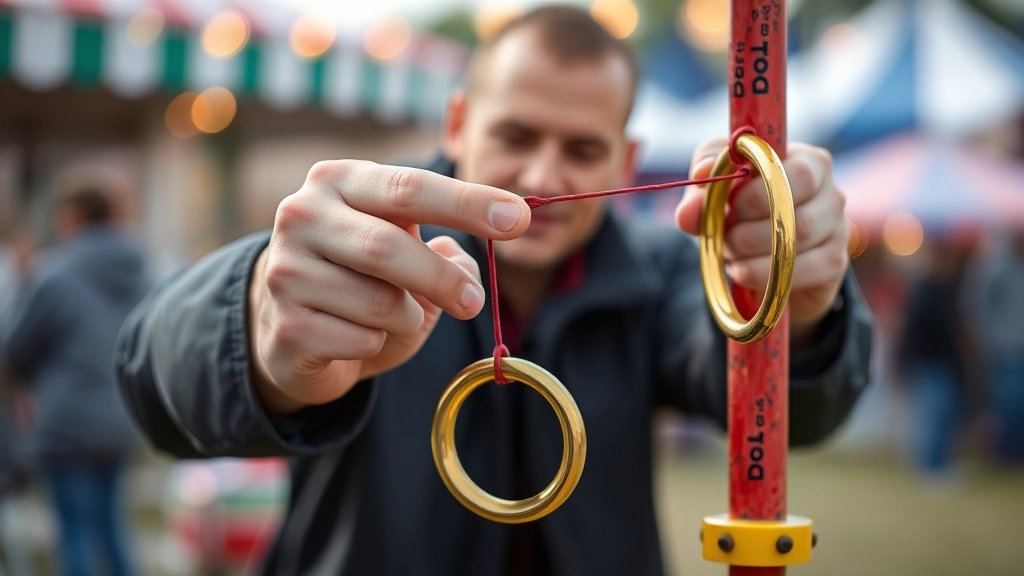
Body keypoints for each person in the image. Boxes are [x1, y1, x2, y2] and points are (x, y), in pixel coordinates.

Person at [115, 7, 873, 576]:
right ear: (458, 123)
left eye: (582, 150)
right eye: (516, 136)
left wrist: (796, 312)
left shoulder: (663, 271)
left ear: (629, 156)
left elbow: (783, 413)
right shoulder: (358, 245)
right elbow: (148, 378)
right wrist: (252, 325)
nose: (543, 179)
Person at [2, 185, 148, 576]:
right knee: (113, 528)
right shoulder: (141, 273)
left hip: (68, 424)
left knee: (77, 535)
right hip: (122, 417)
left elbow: (16, 351)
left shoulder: (55, 276)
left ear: (75, 217)